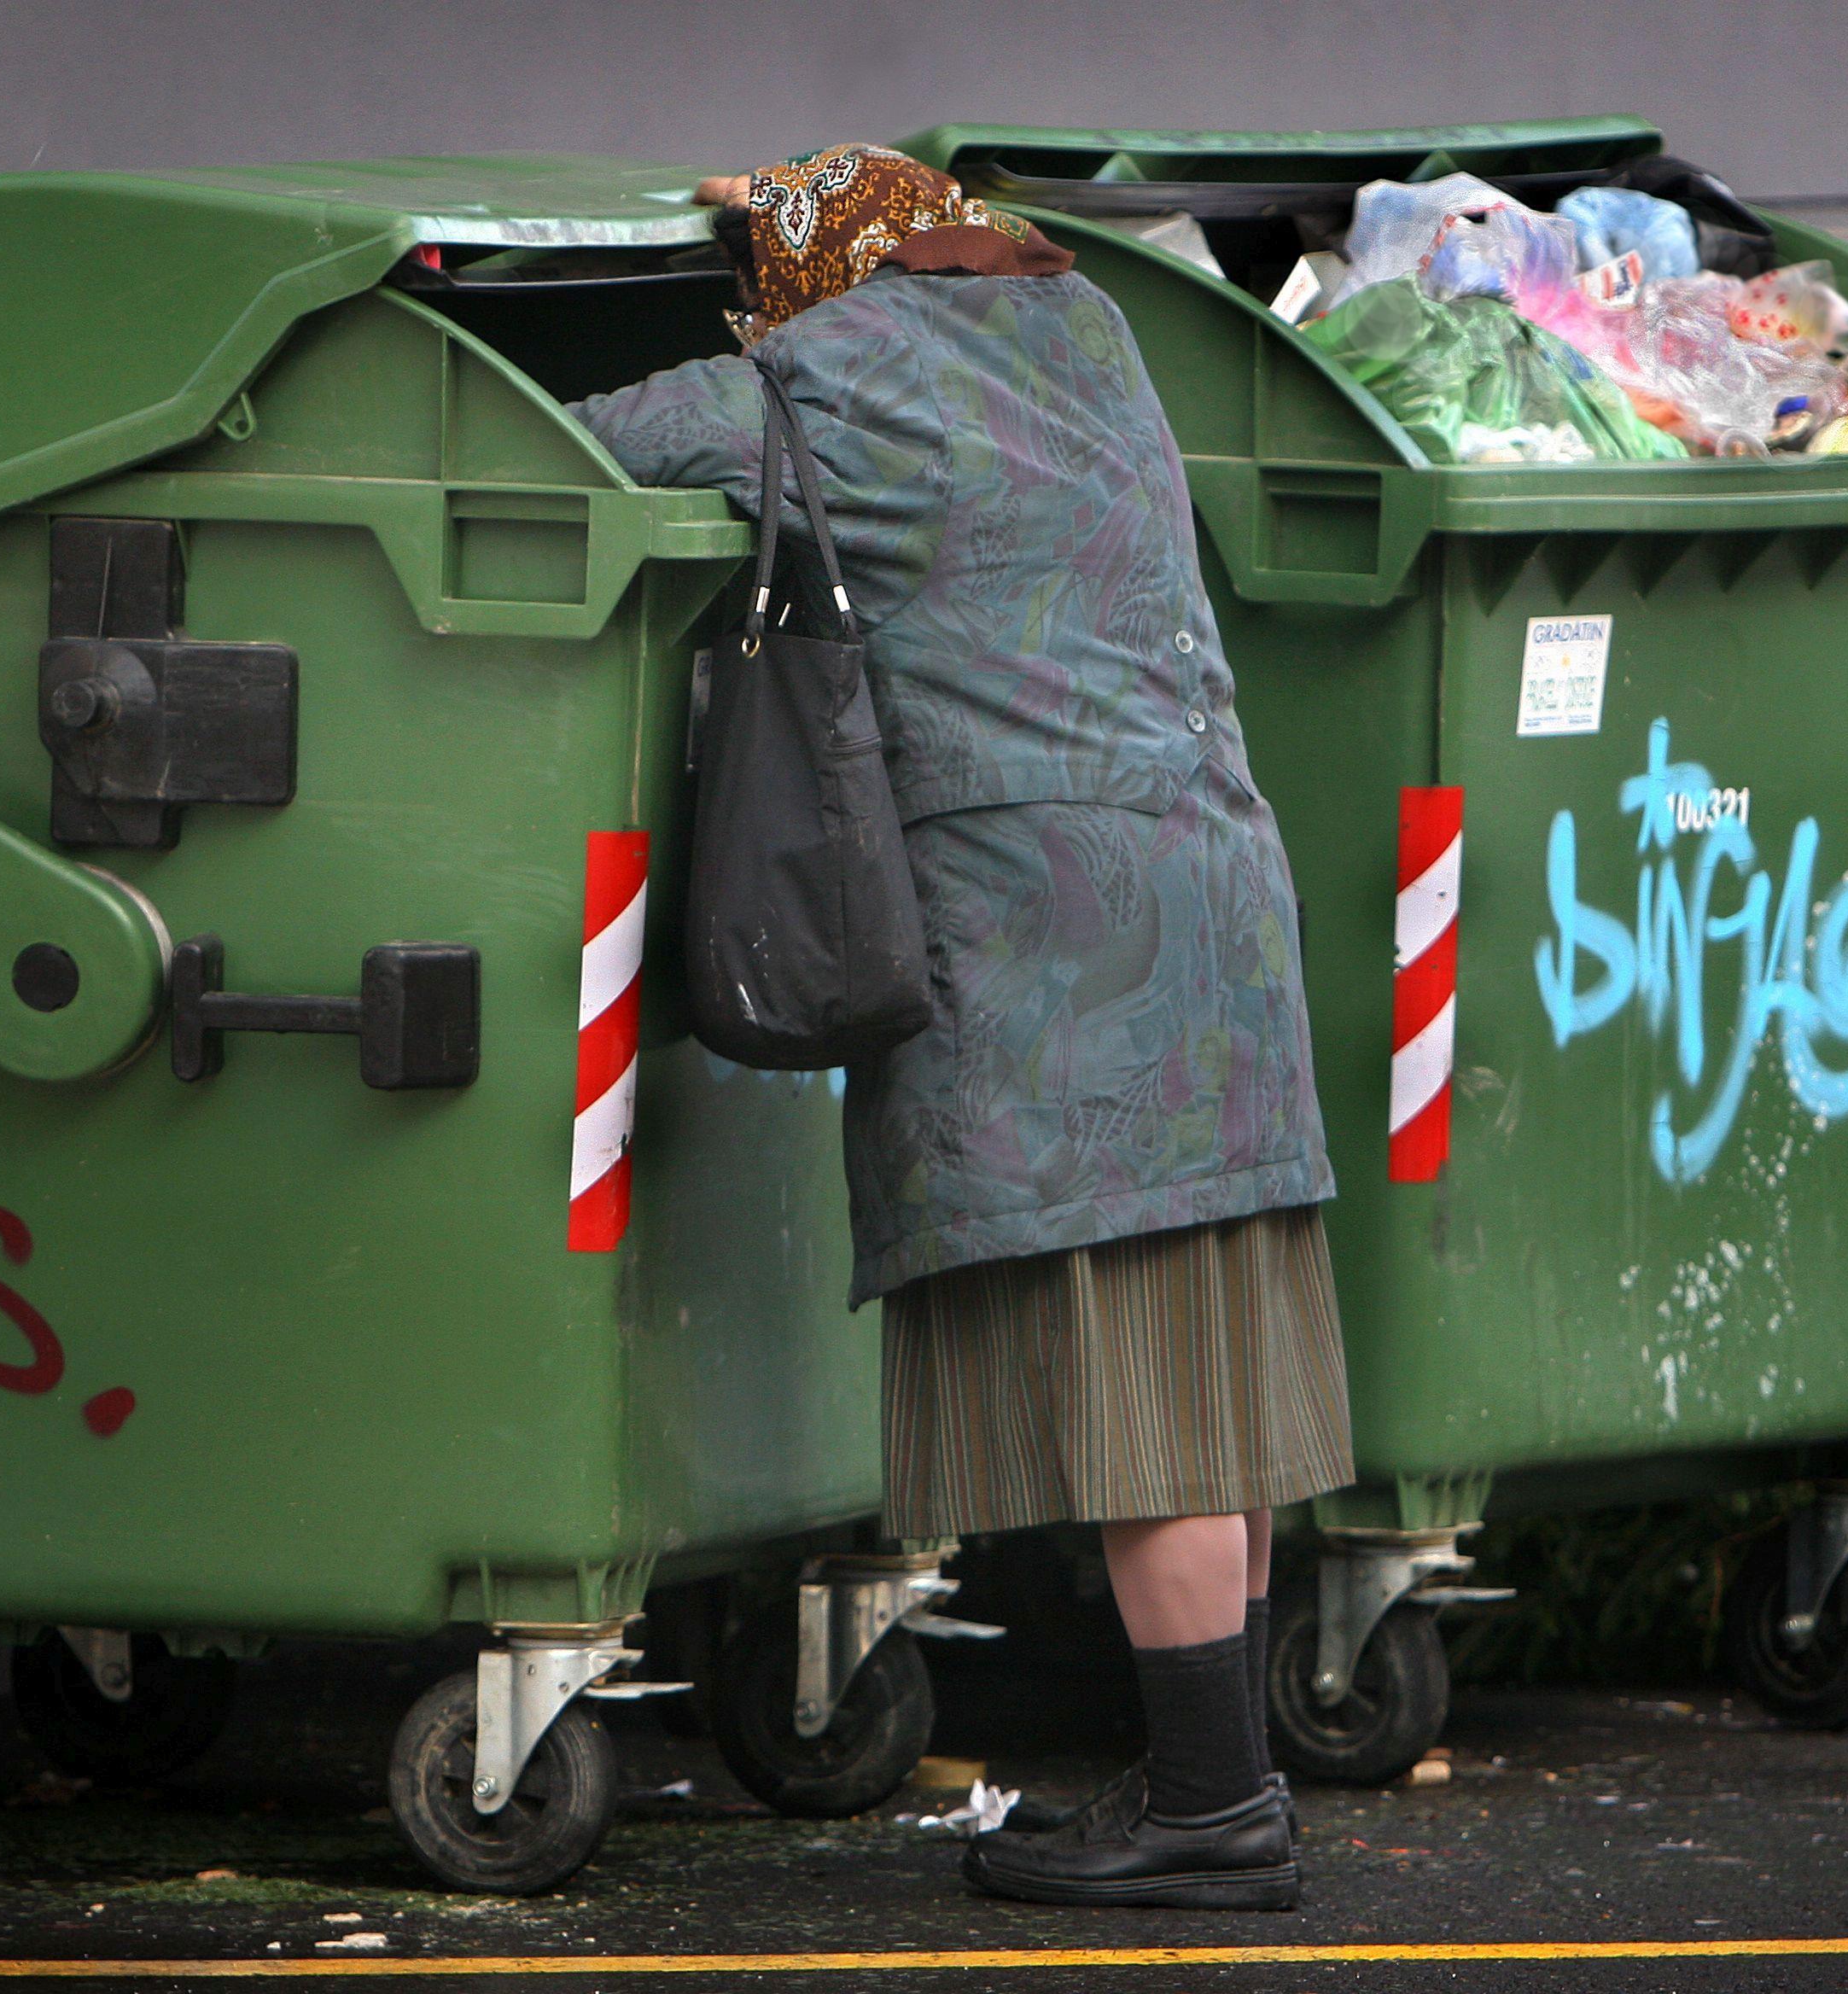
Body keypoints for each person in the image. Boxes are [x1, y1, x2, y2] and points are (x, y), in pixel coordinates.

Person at [568, 145, 1352, 1912]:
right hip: (1213, 888)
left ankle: (1212, 1811)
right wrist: (813, 205)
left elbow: (589, 450)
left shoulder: (821, 375)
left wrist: (747, 287)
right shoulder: (1087, 333)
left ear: (813, 281)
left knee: (1138, 1389)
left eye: (767, 276)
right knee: (1203, 1363)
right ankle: (1210, 1782)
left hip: (1057, 930)